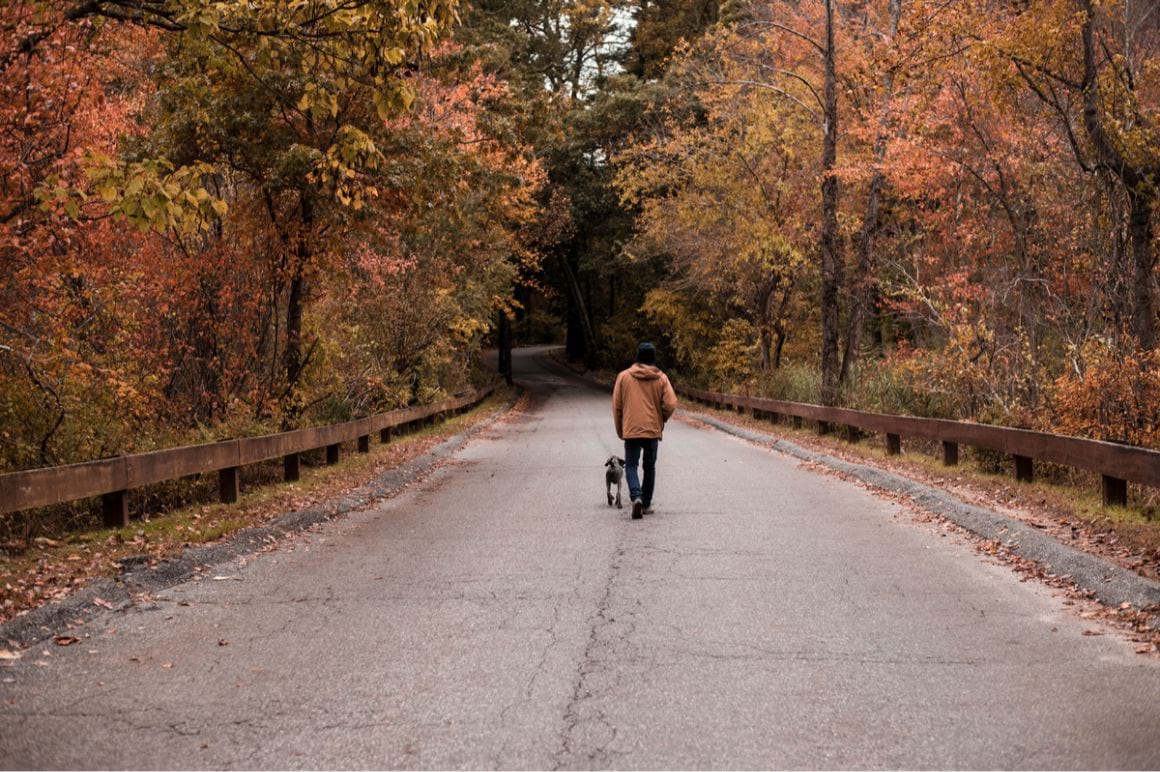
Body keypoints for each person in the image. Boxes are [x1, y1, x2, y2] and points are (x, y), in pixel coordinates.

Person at [612, 342, 678, 519]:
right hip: (652, 429)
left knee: (631, 465)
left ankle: (636, 496)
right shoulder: (661, 378)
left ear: (638, 358)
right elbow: (671, 403)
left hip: (631, 429)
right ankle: (646, 503)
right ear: (653, 359)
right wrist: (661, 418)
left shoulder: (624, 377)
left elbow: (617, 407)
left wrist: (621, 430)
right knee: (649, 466)